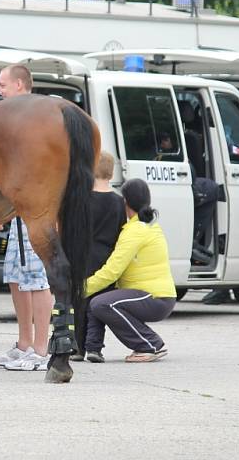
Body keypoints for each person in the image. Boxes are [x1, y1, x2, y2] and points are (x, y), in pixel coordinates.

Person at [0, 65, 52, 372]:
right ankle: (24, 343)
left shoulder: (36, 116)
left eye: (2, 85)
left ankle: (42, 349)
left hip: (38, 210)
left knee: (37, 279)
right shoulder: (13, 118)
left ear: (18, 84)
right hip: (18, 211)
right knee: (17, 277)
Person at [84, 178, 176, 362]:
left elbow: (112, 271)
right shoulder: (143, 226)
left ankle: (150, 345)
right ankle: (92, 349)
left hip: (155, 297)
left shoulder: (135, 231)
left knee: (102, 304)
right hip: (152, 295)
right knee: (99, 300)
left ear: (125, 202)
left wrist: (80, 288)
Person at [71, 151, 126, 363]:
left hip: (82, 254)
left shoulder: (81, 200)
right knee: (98, 304)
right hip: (106, 257)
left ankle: (77, 348)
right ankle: (95, 347)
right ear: (111, 174)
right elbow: (122, 232)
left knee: (80, 300)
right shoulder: (118, 202)